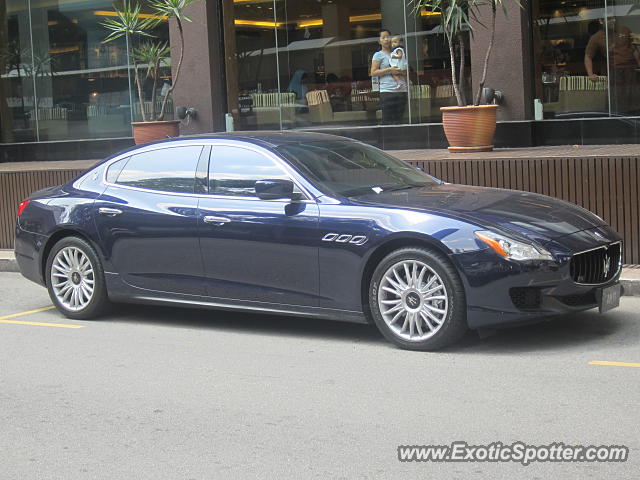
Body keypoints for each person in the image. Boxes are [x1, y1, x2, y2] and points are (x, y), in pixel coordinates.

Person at [584, 16, 640, 114]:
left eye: (613, 18)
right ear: (601, 21)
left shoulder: (625, 30)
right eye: (609, 19)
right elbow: (588, 56)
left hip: (631, 70)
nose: (612, 21)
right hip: (615, 72)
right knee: (617, 103)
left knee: (635, 100)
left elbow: (634, 50)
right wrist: (590, 74)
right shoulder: (596, 37)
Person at [370, 29, 407, 125]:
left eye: (388, 37)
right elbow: (373, 72)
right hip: (387, 91)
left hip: (401, 90)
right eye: (383, 37)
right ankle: (387, 139)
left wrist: (402, 71)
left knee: (399, 120)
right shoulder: (378, 55)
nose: (386, 39)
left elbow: (406, 70)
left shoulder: (398, 52)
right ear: (379, 41)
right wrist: (389, 70)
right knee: (388, 120)